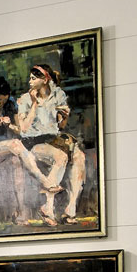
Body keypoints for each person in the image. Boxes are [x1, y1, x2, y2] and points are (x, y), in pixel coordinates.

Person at [0, 78, 62, 223]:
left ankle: (22, 214)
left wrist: (10, 125)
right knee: (15, 145)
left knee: (17, 161)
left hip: (6, 148)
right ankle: (45, 181)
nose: (1, 103)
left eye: (4, 100)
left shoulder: (10, 102)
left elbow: (20, 131)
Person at [16, 65, 86, 226]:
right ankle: (47, 207)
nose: (30, 81)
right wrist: (34, 104)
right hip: (34, 141)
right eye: (30, 78)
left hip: (54, 139)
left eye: (34, 78)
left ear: (45, 79)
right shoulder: (25, 99)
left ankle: (71, 209)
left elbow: (60, 126)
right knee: (60, 156)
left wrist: (64, 117)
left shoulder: (58, 95)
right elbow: (24, 129)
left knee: (79, 157)